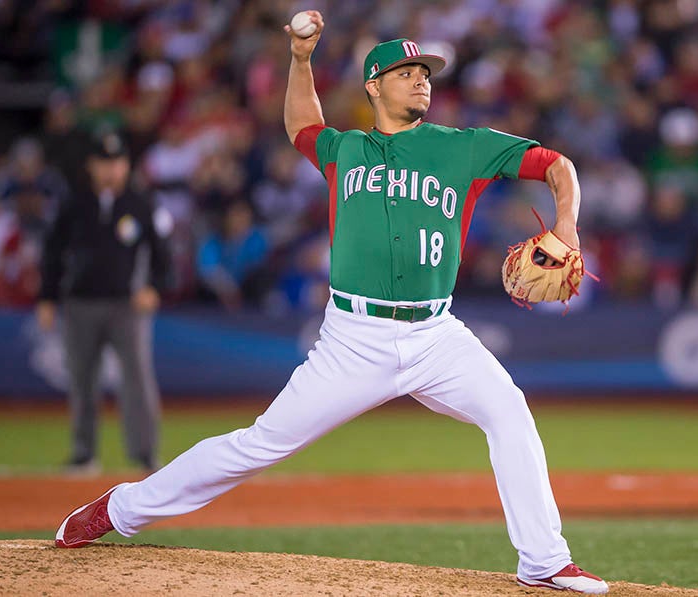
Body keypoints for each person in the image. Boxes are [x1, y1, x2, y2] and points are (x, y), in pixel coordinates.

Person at [54, 12, 608, 595]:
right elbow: (300, 123)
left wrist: (567, 226)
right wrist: (299, 59)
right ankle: (121, 510)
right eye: (406, 71)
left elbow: (557, 166)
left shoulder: (463, 148)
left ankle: (543, 560)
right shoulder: (345, 151)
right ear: (373, 85)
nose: (422, 79)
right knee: (260, 443)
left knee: (509, 411)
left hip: (437, 335)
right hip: (353, 338)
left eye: (426, 72)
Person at [37, 131, 171, 473]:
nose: (112, 170)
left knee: (137, 378)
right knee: (82, 379)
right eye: (105, 163)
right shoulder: (74, 203)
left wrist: (154, 287)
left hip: (126, 305)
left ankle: (145, 454)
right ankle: (84, 454)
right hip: (80, 303)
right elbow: (52, 252)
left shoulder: (139, 204)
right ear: (91, 166)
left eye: (118, 162)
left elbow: (162, 256)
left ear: (126, 165)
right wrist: (48, 297)